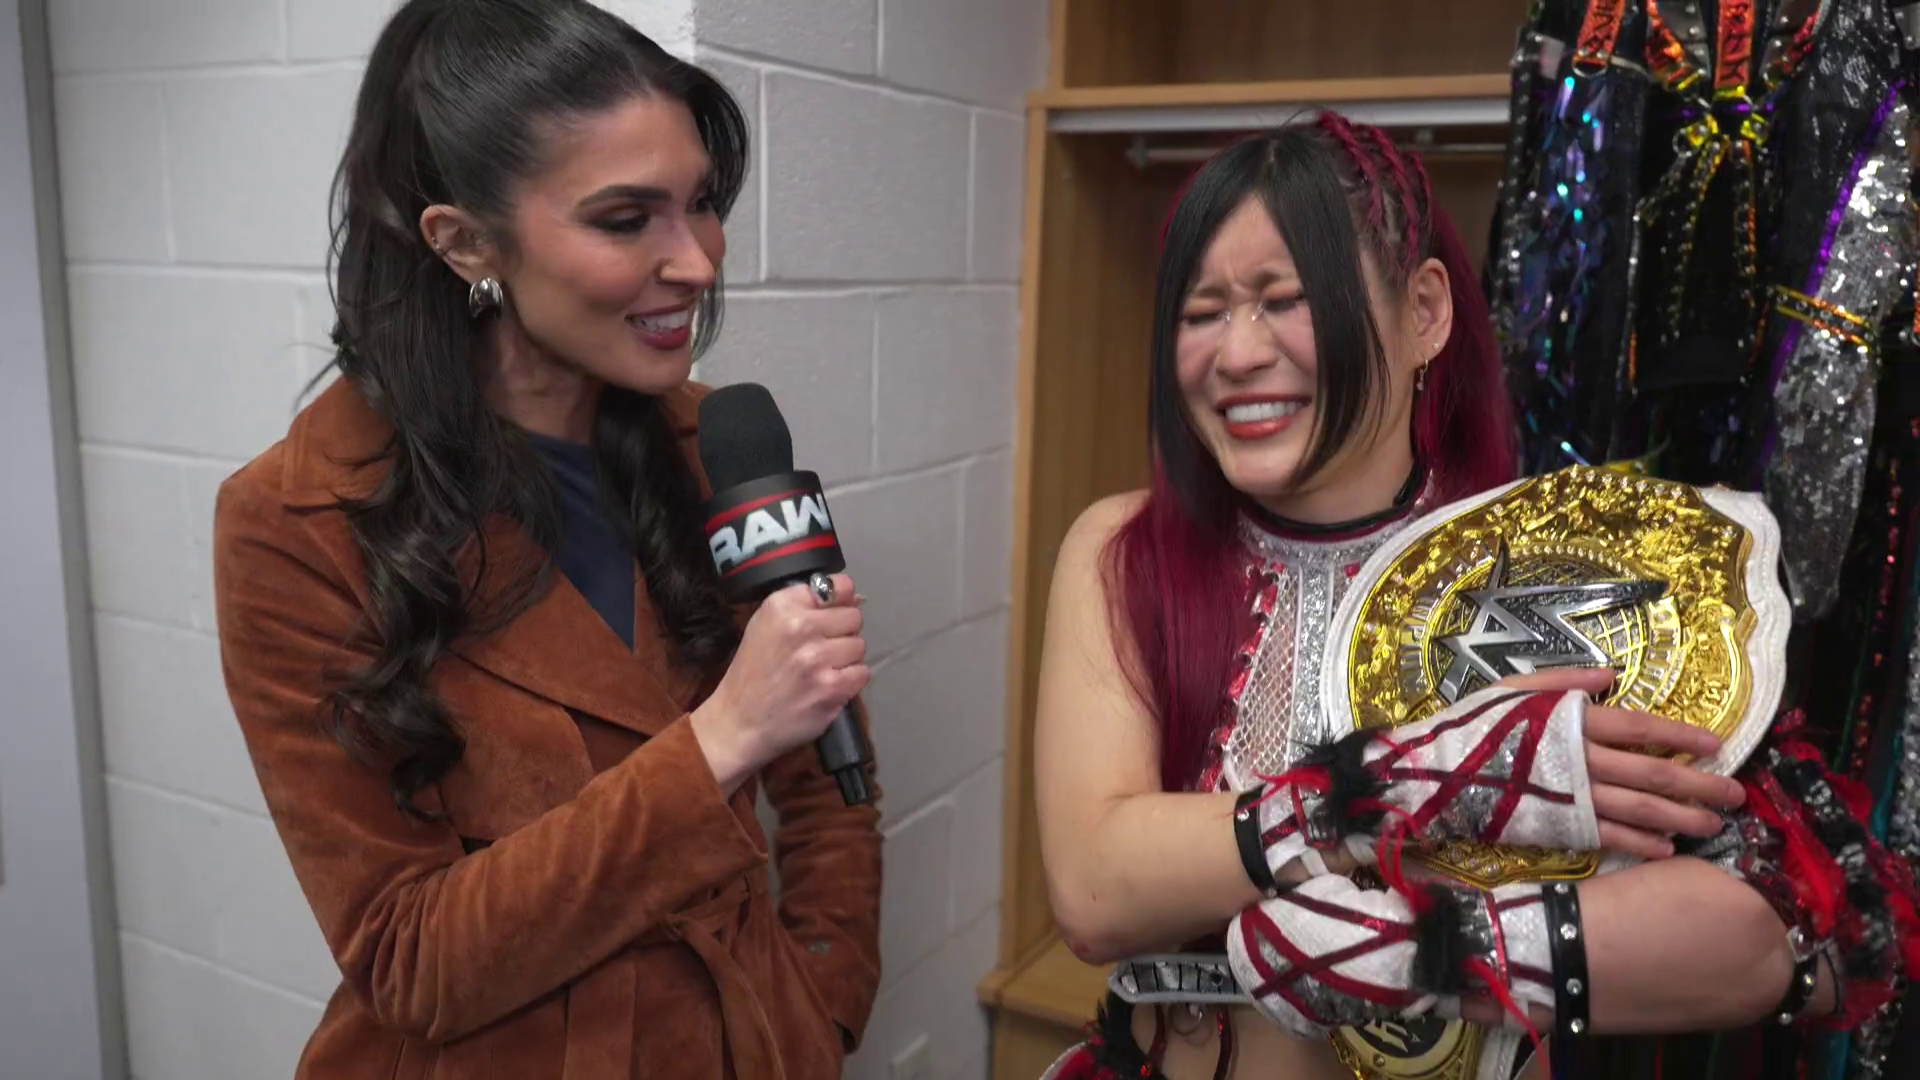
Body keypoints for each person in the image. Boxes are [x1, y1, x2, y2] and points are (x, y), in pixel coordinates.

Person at [1031, 112, 1920, 1080]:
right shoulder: (1127, 556)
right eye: (1202, 313)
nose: (1237, 354)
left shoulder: (1570, 561)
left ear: (1423, 313)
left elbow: (1812, 936)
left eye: (1287, 300)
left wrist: (1442, 951)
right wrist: (1388, 788)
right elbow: (1093, 889)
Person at [209, 2, 880, 1077]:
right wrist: (720, 740)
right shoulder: (298, 524)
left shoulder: (719, 446)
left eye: (701, 204)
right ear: (465, 241)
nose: (698, 262)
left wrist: (821, 1008)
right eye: (626, 219)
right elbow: (410, 960)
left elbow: (831, 784)